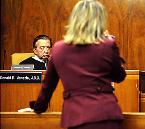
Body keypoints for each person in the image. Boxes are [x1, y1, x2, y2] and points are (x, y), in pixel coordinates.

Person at [32, 0, 126, 129]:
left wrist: (37, 108)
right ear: (100, 21)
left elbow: (48, 86)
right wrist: (113, 48)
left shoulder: (58, 48)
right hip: (106, 114)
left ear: (74, 20)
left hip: (75, 117)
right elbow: (119, 76)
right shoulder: (107, 45)